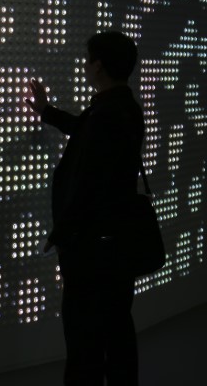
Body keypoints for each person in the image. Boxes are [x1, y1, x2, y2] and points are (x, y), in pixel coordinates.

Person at [25, 31, 144, 385]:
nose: (85, 64)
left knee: (84, 336)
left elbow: (87, 185)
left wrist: (59, 234)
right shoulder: (122, 107)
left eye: (89, 58)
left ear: (100, 66)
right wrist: (47, 111)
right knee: (118, 327)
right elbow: (84, 131)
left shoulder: (107, 113)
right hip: (115, 242)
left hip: (92, 247)